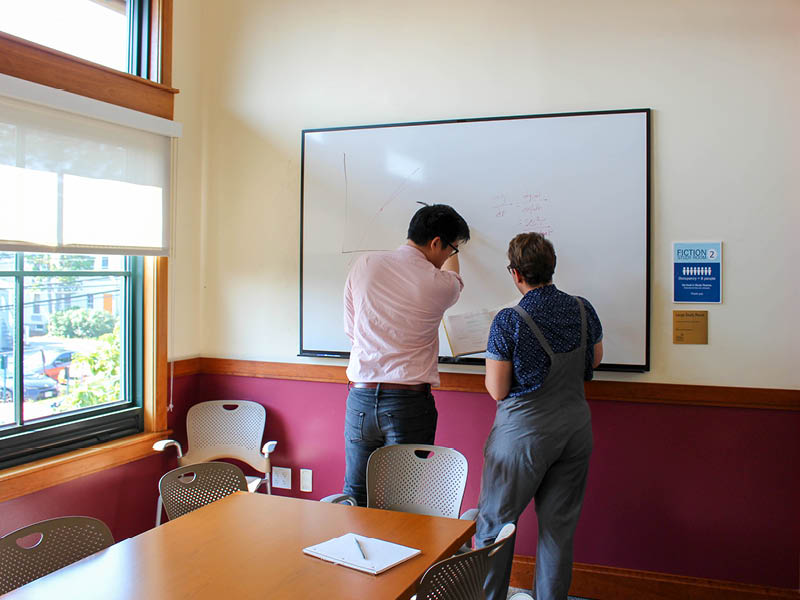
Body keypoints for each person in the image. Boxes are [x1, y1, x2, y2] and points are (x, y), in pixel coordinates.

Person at [475, 232, 603, 600]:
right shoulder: (582, 308)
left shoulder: (508, 320)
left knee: (496, 526)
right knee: (558, 531)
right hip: (575, 429)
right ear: (552, 267)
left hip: (523, 436)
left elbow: (498, 390)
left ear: (516, 274)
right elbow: (593, 360)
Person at [342, 203, 470, 507]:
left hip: (359, 399)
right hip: (408, 404)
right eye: (450, 248)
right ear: (437, 242)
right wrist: (454, 257)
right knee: (406, 500)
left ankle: (350, 553)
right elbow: (454, 278)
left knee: (354, 494)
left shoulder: (364, 265)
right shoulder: (438, 284)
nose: (447, 257)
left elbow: (352, 330)